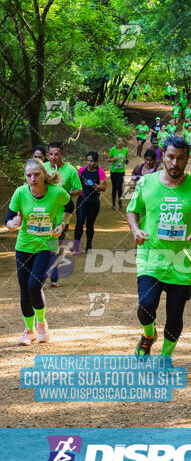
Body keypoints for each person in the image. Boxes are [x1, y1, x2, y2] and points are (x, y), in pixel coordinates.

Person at [126, 135, 191, 359]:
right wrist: (135, 230)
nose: (174, 163)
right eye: (170, 157)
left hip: (182, 261)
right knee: (146, 306)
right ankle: (148, 335)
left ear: (188, 159)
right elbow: (132, 209)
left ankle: (166, 357)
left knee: (174, 315)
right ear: (163, 157)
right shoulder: (146, 182)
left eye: (180, 158)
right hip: (151, 257)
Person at [6, 158, 74, 345]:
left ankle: (42, 325)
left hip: (47, 245)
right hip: (24, 246)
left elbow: (70, 207)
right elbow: (9, 219)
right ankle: (30, 331)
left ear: (44, 174)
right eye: (29, 175)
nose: (33, 178)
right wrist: (13, 224)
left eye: (36, 174)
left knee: (34, 286)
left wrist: (62, 224)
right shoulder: (20, 193)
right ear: (25, 177)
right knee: (24, 289)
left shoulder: (56, 192)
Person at [44, 142, 82, 287]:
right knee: (41, 244)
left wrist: (65, 194)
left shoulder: (70, 170)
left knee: (55, 245)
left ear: (62, 155)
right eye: (51, 154)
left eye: (56, 154)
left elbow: (78, 189)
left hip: (62, 215)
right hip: (44, 214)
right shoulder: (43, 168)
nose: (53, 157)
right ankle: (39, 277)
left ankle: (54, 277)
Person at [72, 151, 106, 256]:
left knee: (90, 225)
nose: (89, 163)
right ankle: (76, 246)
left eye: (91, 161)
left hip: (94, 202)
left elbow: (103, 187)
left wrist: (94, 185)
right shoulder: (81, 171)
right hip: (82, 200)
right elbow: (75, 183)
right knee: (79, 223)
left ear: (96, 162)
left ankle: (89, 246)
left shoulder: (100, 172)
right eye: (87, 160)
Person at [108, 137, 129, 210]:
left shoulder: (125, 150)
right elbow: (108, 159)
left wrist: (125, 160)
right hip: (113, 171)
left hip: (121, 171)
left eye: (120, 141)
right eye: (118, 141)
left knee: (119, 188)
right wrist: (113, 159)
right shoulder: (113, 149)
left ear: (123, 142)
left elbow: (127, 161)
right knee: (114, 188)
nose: (119, 142)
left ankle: (120, 201)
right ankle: (113, 203)